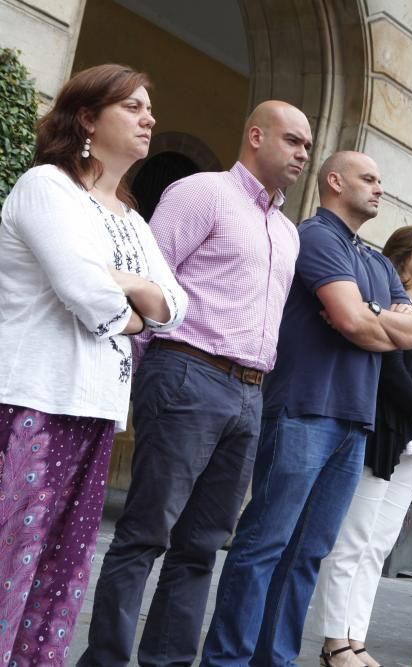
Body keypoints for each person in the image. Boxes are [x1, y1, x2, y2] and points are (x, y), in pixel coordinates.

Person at [82, 97, 309, 667]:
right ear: (256, 137)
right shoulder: (202, 193)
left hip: (250, 392)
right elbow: (147, 280)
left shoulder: (288, 232)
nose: (304, 152)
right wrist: (143, 377)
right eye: (292, 141)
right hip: (188, 372)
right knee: (145, 534)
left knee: (202, 547)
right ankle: (105, 660)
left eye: (308, 144)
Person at [200, 151, 412, 666]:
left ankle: (274, 659)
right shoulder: (317, 236)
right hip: (303, 409)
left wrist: (369, 317)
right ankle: (227, 660)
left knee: (308, 553)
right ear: (334, 181)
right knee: (265, 544)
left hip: (353, 420)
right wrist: (369, 319)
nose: (379, 188)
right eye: (368, 178)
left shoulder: (373, 259)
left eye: (380, 179)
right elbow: (349, 323)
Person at [0, 63, 186, 665]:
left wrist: (127, 284)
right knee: (10, 562)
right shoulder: (46, 188)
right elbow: (85, 293)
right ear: (87, 117)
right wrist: (135, 301)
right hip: (33, 400)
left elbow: (177, 308)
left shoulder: (131, 218)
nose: (148, 118)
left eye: (148, 108)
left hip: (96, 408)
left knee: (60, 574)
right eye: (132, 107)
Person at [310, 224, 412, 667]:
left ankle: (356, 636)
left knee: (378, 546)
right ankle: (334, 640)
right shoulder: (392, 306)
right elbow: (392, 370)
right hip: (388, 431)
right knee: (353, 540)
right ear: (403, 255)